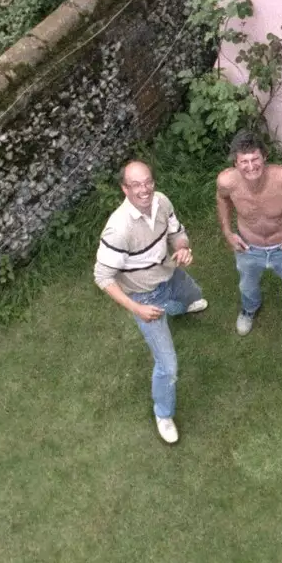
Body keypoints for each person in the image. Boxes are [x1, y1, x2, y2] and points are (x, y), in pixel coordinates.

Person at [94, 160, 206, 444]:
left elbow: (177, 233)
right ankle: (163, 413)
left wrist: (182, 249)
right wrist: (137, 308)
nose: (144, 189)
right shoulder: (118, 230)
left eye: (147, 182)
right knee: (168, 367)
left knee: (195, 295)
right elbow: (103, 277)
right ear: (125, 189)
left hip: (169, 274)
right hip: (144, 297)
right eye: (135, 185)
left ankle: (175, 309)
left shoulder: (162, 202)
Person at [216, 130, 282, 342]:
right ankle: (249, 310)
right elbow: (222, 199)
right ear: (235, 162)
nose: (251, 166)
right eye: (244, 161)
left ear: (265, 156)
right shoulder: (226, 182)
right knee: (247, 285)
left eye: (255, 159)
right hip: (248, 248)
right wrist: (227, 231)